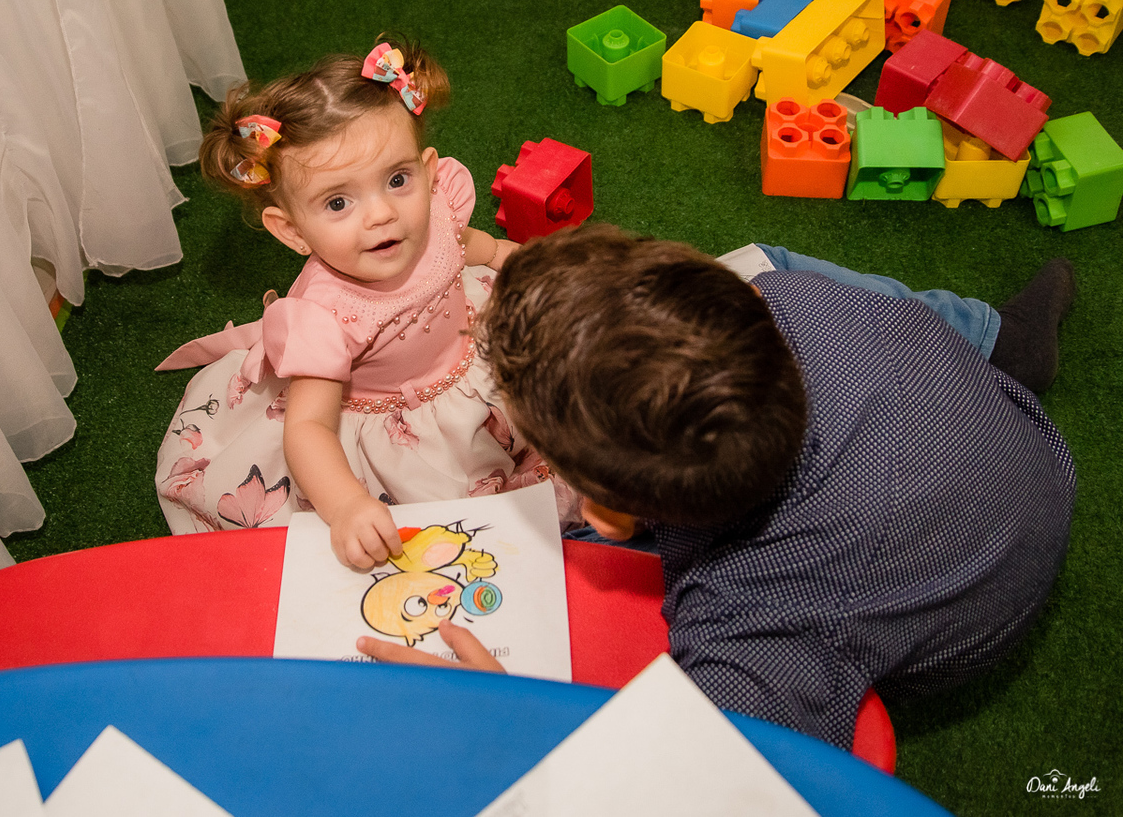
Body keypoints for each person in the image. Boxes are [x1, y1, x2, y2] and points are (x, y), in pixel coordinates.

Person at [360, 224, 1077, 751]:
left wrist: (519, 722)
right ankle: (997, 338)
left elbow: (706, 780)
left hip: (982, 590)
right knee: (768, 260)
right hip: (999, 439)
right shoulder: (786, 300)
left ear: (609, 514)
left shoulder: (757, 620)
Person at [155, 38, 577, 569]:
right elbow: (308, 428)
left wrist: (517, 260)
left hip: (474, 352)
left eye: (397, 180)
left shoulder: (433, 211)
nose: (381, 214)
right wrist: (348, 506)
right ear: (291, 231)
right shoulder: (324, 317)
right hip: (401, 427)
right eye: (338, 201)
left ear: (428, 172)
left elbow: (470, 245)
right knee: (452, 536)